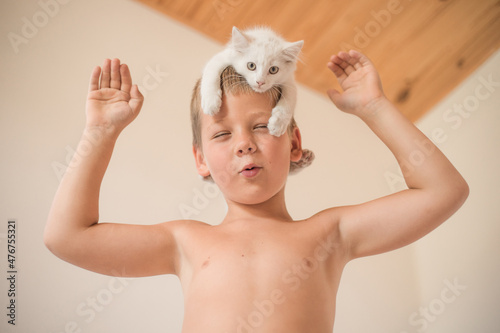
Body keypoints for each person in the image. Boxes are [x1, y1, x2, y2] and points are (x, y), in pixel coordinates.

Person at [44, 50, 469, 332]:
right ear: (201, 160)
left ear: (294, 142)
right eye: (222, 134)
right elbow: (66, 237)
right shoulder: (185, 241)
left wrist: (375, 108)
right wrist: (100, 133)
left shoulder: (330, 234)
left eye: (263, 126)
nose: (244, 142)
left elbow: (444, 190)